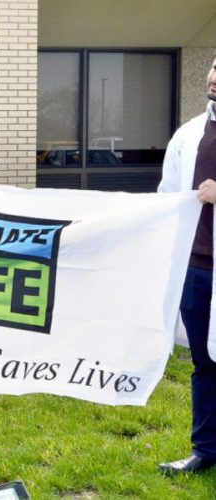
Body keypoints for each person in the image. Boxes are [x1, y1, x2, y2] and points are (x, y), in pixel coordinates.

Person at [157, 51, 216, 475]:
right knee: (205, 362)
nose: (214, 77)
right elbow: (167, 196)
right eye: (215, 66)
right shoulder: (189, 134)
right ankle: (206, 450)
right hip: (197, 270)